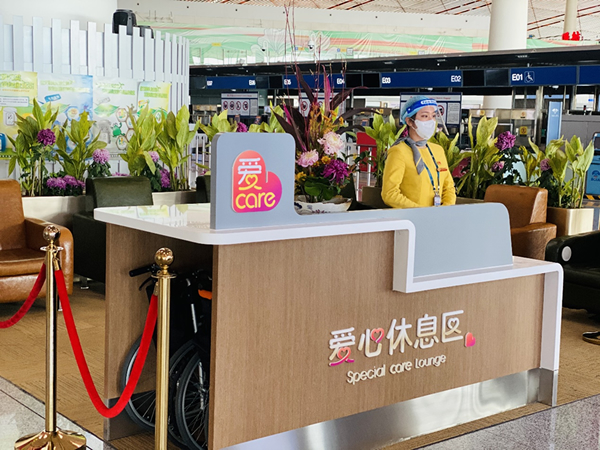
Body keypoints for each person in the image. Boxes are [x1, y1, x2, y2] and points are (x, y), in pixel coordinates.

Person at [381, 95, 456, 208]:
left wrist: (445, 210)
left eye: (433, 116)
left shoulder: (438, 150)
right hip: (411, 217)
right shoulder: (398, 151)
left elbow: (448, 187)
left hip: (439, 216)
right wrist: (420, 212)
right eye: (425, 116)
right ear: (410, 121)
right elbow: (390, 194)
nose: (431, 121)